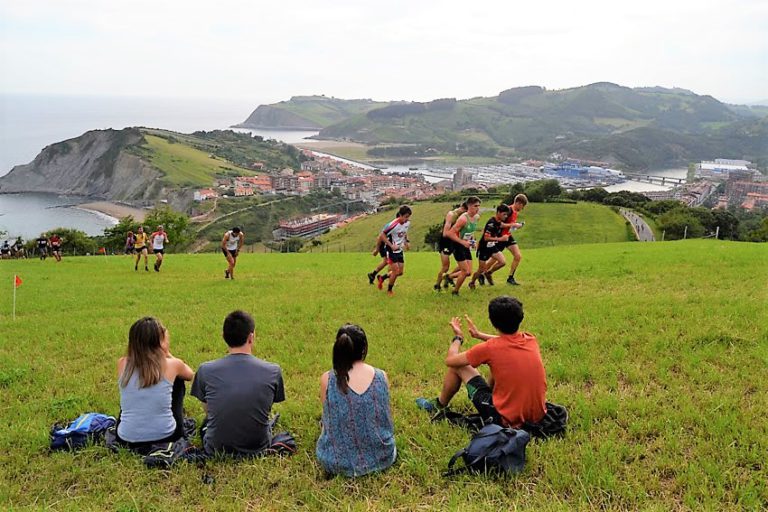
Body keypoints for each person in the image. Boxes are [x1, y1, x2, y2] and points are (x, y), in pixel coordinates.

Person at [416, 296, 547, 428]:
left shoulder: (490, 348)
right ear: (521, 317)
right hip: (537, 416)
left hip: (504, 419)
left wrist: (458, 338)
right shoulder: (530, 339)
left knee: (458, 366)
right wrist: (479, 335)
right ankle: (492, 395)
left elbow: (450, 361)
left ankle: (438, 405)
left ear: (492, 321)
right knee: (498, 364)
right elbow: (506, 341)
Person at [191, 310, 285, 456]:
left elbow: (208, 410)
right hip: (258, 445)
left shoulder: (205, 370)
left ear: (223, 337)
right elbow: (266, 406)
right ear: (251, 337)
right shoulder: (273, 371)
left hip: (215, 447)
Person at [316, 324, 396, 477]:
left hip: (335, 461)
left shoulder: (328, 379)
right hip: (383, 456)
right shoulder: (382, 376)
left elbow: (327, 415)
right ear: (364, 348)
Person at [116, 317, 194, 452]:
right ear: (160, 342)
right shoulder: (173, 365)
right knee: (178, 380)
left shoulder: (122, 363)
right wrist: (168, 354)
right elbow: (190, 375)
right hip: (166, 435)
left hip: (125, 437)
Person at [486, 194, 527, 286]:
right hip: (500, 237)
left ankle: (510, 277)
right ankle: (484, 273)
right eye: (522, 206)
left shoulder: (516, 212)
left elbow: (510, 225)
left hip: (508, 236)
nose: (522, 208)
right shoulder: (508, 210)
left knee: (518, 256)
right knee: (494, 259)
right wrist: (514, 225)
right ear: (518, 203)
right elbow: (499, 224)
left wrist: (516, 226)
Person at [468, 204, 510, 288]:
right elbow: (486, 238)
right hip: (484, 248)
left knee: (502, 262)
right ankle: (472, 282)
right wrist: (501, 239)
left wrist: (515, 225)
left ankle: (488, 273)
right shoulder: (491, 223)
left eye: (507, 214)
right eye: (504, 214)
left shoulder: (498, 222)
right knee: (480, 270)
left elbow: (503, 225)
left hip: (492, 247)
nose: (506, 216)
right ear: (498, 213)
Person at [446, 196, 481, 295]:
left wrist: (473, 241)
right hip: (457, 245)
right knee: (465, 271)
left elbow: (470, 232)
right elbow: (450, 233)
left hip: (465, 245)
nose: (477, 208)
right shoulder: (463, 219)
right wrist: (463, 242)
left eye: (478, 206)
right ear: (469, 206)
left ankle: (449, 277)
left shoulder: (477, 217)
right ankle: (455, 291)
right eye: (475, 206)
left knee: (469, 272)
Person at [377, 205, 411, 296]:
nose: (407, 219)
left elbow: (405, 232)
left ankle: (382, 277)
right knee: (395, 271)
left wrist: (407, 242)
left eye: (408, 217)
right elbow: (382, 235)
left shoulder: (407, 223)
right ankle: (389, 290)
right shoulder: (392, 225)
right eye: (405, 217)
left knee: (400, 272)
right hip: (391, 251)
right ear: (400, 215)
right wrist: (391, 245)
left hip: (399, 250)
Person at [433, 202, 468, 292]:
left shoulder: (463, 218)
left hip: (455, 241)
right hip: (446, 242)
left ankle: (449, 277)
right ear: (463, 208)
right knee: (445, 266)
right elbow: (445, 233)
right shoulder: (451, 214)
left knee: (464, 265)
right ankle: (437, 285)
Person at [367, 222, 392, 286]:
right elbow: (380, 237)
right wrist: (377, 250)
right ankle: (390, 280)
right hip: (384, 246)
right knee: (390, 261)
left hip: (387, 246)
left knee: (386, 262)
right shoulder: (391, 225)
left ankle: (372, 275)